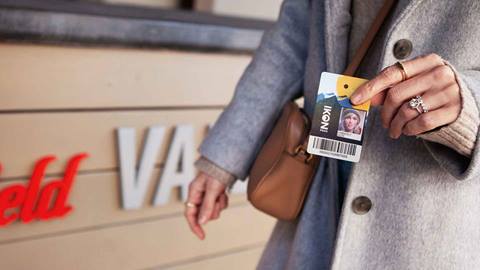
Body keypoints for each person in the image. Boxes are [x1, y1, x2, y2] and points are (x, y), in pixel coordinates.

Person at [184, 0, 480, 269]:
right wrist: (223, 156)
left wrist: (469, 104)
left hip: (433, 216)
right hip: (321, 186)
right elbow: (292, 39)